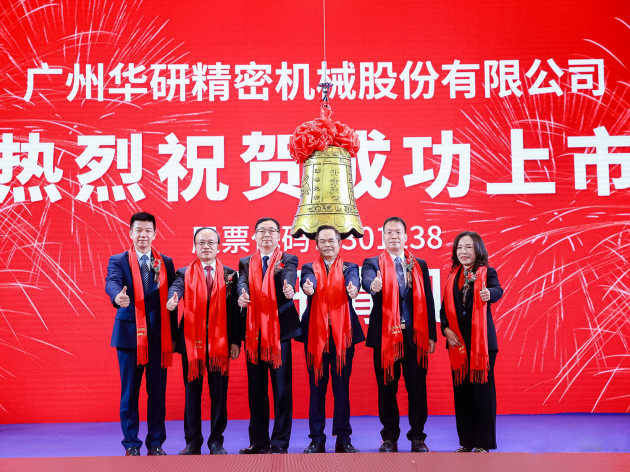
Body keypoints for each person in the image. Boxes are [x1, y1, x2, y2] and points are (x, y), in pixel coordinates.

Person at [104, 212, 177, 456]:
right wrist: (117, 296)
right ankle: (131, 444)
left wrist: (173, 336)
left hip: (159, 338)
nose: (143, 235)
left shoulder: (165, 262)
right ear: (130, 233)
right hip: (128, 336)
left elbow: (172, 300)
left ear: (155, 234)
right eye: (138, 230)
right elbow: (112, 282)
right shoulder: (118, 260)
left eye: (148, 230)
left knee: (157, 394)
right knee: (129, 393)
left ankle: (155, 442)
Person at [361, 216, 436, 453]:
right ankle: (389, 437)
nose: (394, 236)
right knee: (387, 389)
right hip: (385, 337)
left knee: (417, 389)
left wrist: (431, 335)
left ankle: (417, 437)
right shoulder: (373, 262)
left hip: (414, 337)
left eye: (398, 232)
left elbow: (429, 300)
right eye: (389, 232)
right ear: (383, 236)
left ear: (406, 237)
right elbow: (367, 280)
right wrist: (373, 286)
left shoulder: (418, 264)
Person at [166, 227, 241, 455]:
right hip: (192, 342)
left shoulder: (230, 274)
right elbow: (176, 289)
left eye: (210, 243)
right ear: (194, 246)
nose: (206, 247)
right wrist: (173, 298)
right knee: (192, 394)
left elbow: (234, 311)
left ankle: (216, 441)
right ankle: (193, 441)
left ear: (218, 247)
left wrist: (235, 341)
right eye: (201, 243)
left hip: (220, 343)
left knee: (219, 394)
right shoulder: (183, 273)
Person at [237, 217, 302, 454]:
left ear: (279, 236)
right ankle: (259, 442)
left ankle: (280, 442)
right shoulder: (246, 261)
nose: (266, 235)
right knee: (256, 390)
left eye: (271, 231)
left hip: (279, 334)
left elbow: (289, 275)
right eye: (261, 231)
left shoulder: (288, 259)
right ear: (254, 236)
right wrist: (242, 294)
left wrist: (289, 286)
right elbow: (242, 282)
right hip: (253, 333)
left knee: (282, 390)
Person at [299, 225, 365, 454]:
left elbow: (353, 280)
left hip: (342, 337)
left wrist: (353, 289)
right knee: (316, 389)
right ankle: (317, 439)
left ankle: (343, 439)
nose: (327, 245)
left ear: (339, 243)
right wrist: (308, 287)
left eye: (331, 241)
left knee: (341, 388)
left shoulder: (349, 267)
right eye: (322, 241)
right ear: (316, 245)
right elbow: (307, 280)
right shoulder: (309, 267)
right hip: (315, 336)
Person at [440, 231, 503, 453]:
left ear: (478, 250)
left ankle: (483, 444)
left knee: (482, 393)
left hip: (482, 345)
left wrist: (489, 294)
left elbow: (497, 290)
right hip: (458, 344)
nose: (463, 252)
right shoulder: (451, 277)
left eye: (468, 247)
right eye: (459, 247)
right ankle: (467, 442)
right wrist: (445, 329)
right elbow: (444, 310)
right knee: (462, 394)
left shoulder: (487, 272)